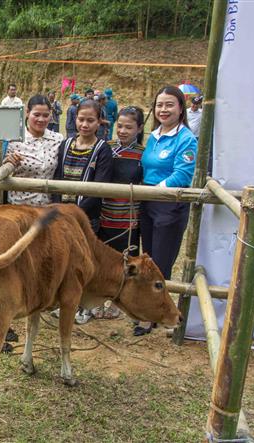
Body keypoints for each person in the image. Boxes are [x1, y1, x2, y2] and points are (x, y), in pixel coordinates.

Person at [136, 85, 197, 336]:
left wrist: (154, 192)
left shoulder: (186, 138)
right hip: (147, 201)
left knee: (161, 263)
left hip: (168, 203)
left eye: (169, 104)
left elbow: (182, 175)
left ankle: (158, 315)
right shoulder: (155, 135)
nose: (163, 109)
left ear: (181, 108)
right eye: (159, 104)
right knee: (148, 258)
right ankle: (149, 310)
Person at [53, 99, 113, 325]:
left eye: (90, 120)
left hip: (86, 218)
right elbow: (57, 177)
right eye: (81, 119)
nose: (85, 125)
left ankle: (85, 306)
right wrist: (60, 208)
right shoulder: (65, 145)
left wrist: (75, 212)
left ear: (99, 122)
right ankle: (64, 303)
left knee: (84, 263)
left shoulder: (102, 149)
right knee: (65, 260)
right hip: (62, 215)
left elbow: (99, 187)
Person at [95, 106, 145, 320]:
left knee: (125, 262)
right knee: (102, 260)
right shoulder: (106, 148)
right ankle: (98, 299)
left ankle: (118, 301)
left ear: (139, 128)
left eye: (129, 127)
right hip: (105, 214)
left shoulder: (143, 154)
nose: (123, 131)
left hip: (128, 217)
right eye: (120, 126)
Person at [4, 94, 64, 206]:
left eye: (45, 115)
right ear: (27, 112)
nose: (41, 119)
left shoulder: (58, 139)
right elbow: (0, 168)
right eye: (36, 114)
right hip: (19, 207)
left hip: (48, 208)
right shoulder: (13, 140)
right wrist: (7, 161)